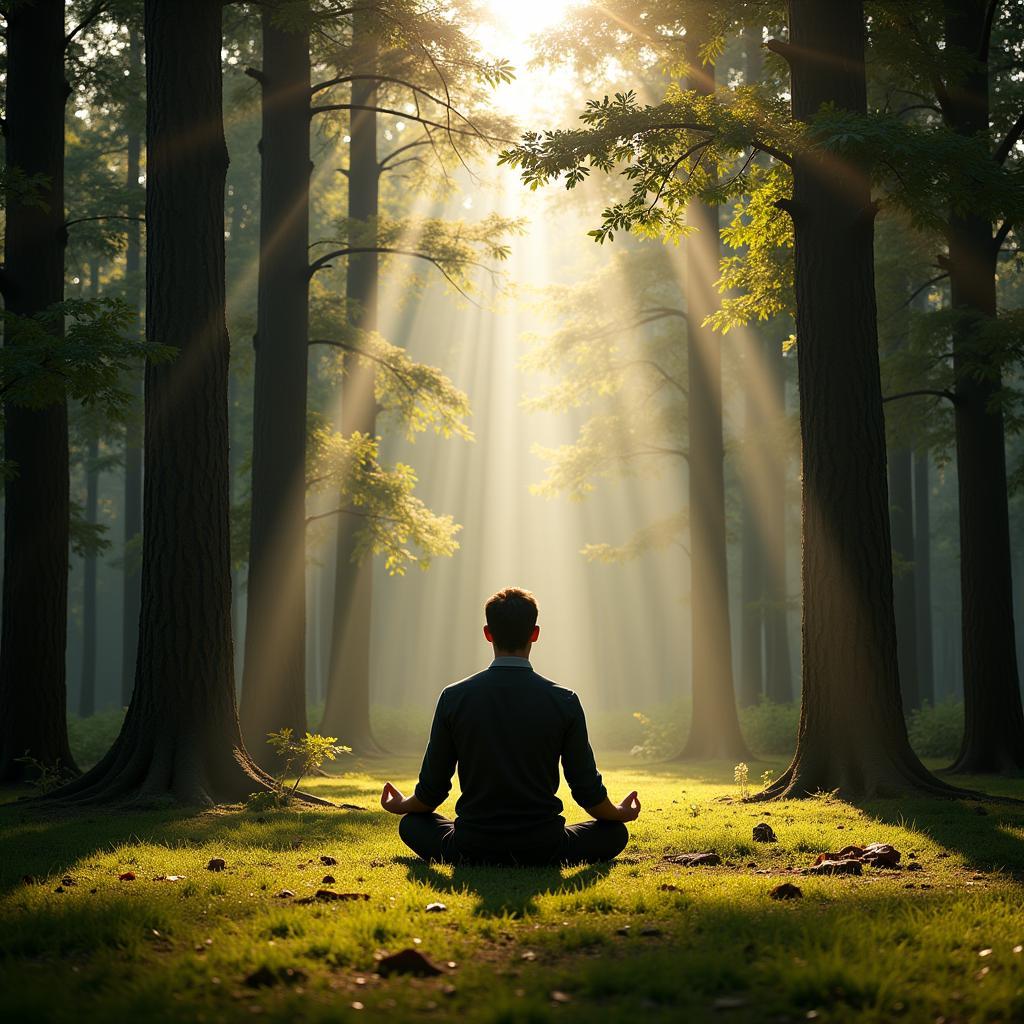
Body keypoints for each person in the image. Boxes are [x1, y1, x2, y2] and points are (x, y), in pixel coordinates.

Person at [380, 587, 641, 866]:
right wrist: (618, 813)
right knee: (614, 833)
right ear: (535, 634)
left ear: (488, 633)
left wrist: (401, 805)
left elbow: (431, 792)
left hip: (473, 845)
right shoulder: (564, 700)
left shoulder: (454, 697)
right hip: (544, 845)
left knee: (411, 824)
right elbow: (586, 789)